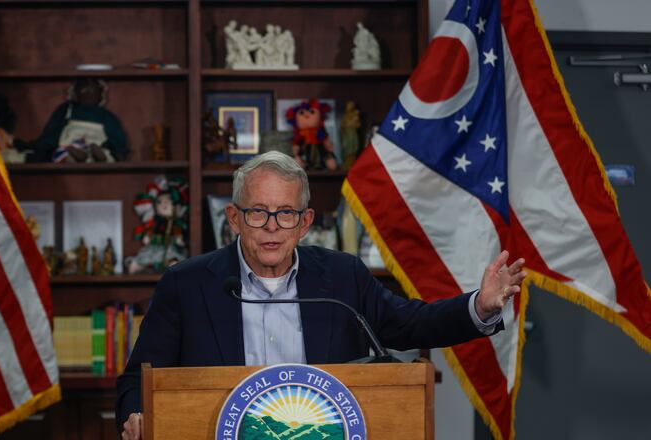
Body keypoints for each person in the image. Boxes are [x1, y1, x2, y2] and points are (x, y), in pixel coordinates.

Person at [116, 151, 526, 439]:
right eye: (258, 212)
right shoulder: (186, 285)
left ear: (305, 222)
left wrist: (480, 305)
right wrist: (136, 414)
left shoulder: (342, 277)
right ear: (235, 220)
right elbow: (137, 377)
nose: (273, 226)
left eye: (286, 213)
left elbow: (409, 324)